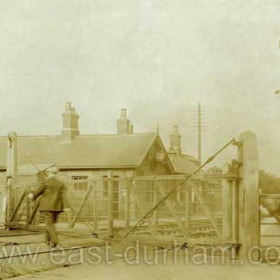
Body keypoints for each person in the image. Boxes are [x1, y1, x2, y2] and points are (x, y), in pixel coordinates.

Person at [28, 167, 67, 248]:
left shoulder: (45, 183)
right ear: (56, 173)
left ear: (48, 173)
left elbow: (35, 194)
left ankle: (54, 241)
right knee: (51, 223)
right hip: (58, 207)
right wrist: (66, 206)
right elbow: (64, 195)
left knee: (50, 224)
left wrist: (30, 195)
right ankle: (47, 239)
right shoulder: (61, 183)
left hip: (47, 207)